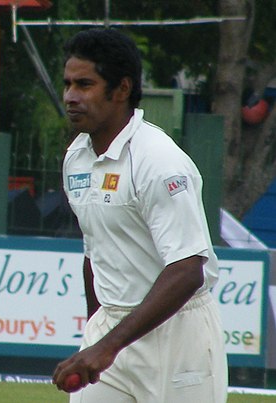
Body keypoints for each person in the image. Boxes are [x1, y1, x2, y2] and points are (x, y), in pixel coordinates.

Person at [53, 28, 228, 403]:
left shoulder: (158, 160)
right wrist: (96, 335)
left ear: (121, 89)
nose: (70, 96)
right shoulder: (76, 157)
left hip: (178, 337)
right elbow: (95, 254)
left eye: (84, 84)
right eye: (67, 84)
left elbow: (186, 270)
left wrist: (105, 347)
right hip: (112, 331)